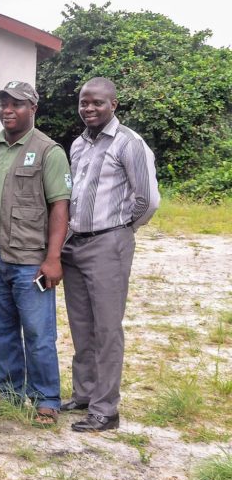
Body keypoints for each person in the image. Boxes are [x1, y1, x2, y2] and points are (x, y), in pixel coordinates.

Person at [61, 77, 160, 432]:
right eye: (84, 102)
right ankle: (84, 394)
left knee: (106, 328)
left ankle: (105, 410)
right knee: (81, 325)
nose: (89, 108)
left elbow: (148, 200)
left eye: (97, 102)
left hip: (109, 243)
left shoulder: (129, 143)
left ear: (113, 104)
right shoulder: (78, 145)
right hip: (74, 244)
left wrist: (121, 229)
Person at [0, 81, 71, 426]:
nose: (8, 110)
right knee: (0, 331)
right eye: (4, 103)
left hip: (30, 260)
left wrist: (53, 258)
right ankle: (10, 395)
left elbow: (60, 205)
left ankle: (46, 399)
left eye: (16, 104)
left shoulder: (48, 151)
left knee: (38, 333)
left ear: (33, 108)